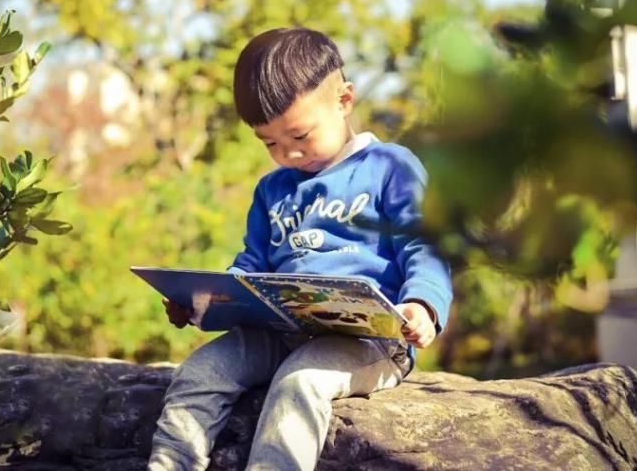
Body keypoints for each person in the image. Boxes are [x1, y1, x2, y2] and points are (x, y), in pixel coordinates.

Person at [148, 27, 453, 471]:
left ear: (343, 100)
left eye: (300, 136)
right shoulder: (272, 190)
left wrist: (423, 305)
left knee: (300, 380)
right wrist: (202, 302)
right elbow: (252, 267)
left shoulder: (389, 167)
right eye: (269, 143)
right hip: (279, 331)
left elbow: (425, 245)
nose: (287, 154)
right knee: (199, 371)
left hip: (369, 341)